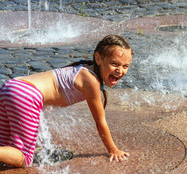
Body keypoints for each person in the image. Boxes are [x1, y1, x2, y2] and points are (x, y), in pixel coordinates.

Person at [0, 34, 133, 167]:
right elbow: (100, 121)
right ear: (98, 58)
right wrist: (113, 149)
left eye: (125, 66)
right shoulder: (92, 81)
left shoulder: (84, 68)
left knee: (4, 145)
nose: (120, 71)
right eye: (114, 64)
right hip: (27, 95)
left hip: (12, 86)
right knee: (24, 157)